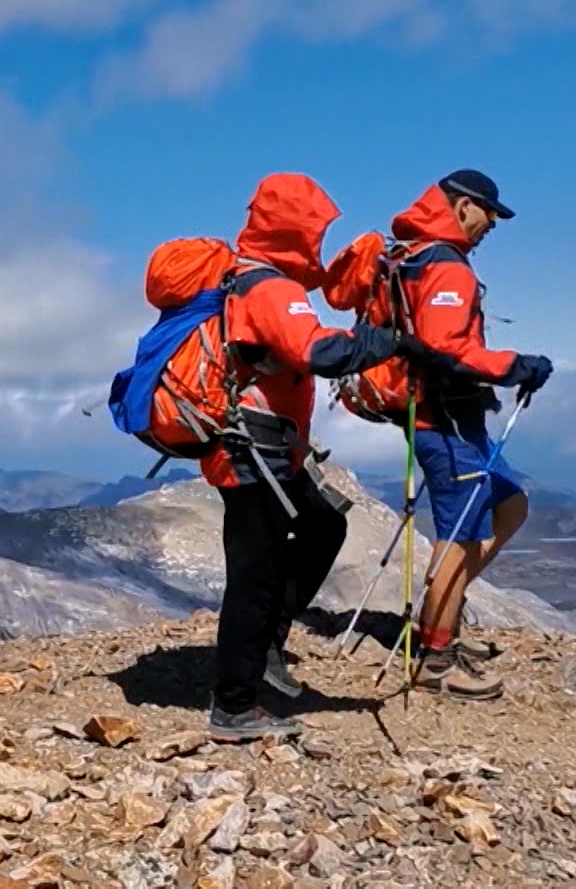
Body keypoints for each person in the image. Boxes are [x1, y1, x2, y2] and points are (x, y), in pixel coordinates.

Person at [202, 173, 402, 742]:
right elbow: (318, 351)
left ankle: (266, 645)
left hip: (266, 446)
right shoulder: (270, 288)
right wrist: (385, 343)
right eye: (315, 229)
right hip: (251, 450)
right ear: (295, 228)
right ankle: (233, 707)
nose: (320, 240)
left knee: (322, 525)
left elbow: (302, 330)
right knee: (254, 576)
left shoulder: (255, 277)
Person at [389, 169, 552, 701]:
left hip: (449, 420)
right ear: (462, 206)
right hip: (447, 420)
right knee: (457, 540)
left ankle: (445, 615)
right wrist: (514, 365)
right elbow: (446, 348)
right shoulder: (445, 265)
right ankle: (435, 659)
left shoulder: (412, 256)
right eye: (488, 214)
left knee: (511, 505)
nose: (491, 226)